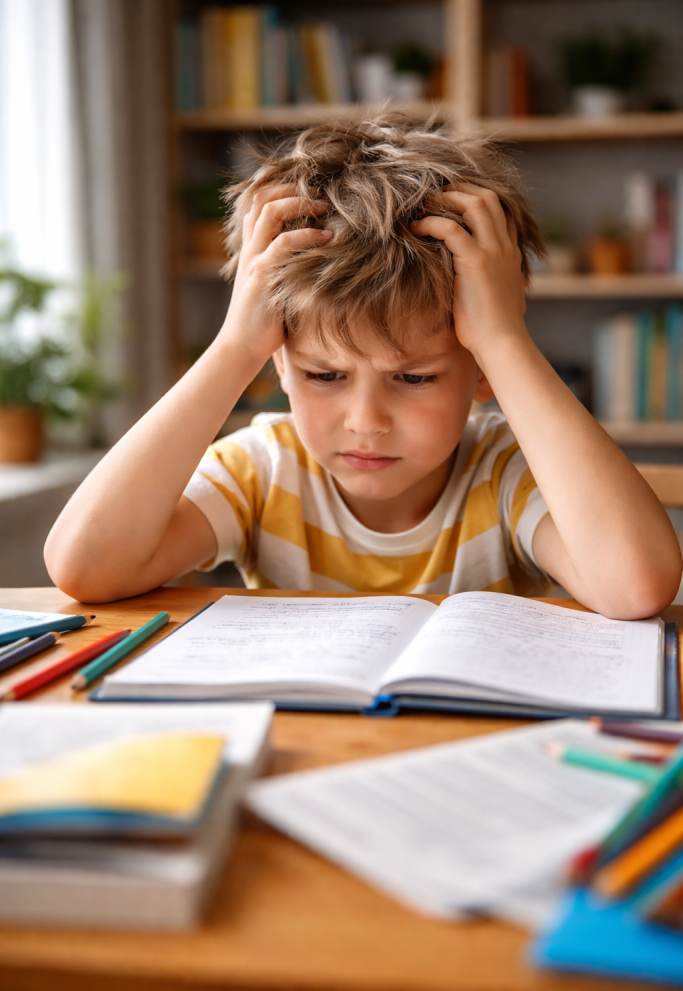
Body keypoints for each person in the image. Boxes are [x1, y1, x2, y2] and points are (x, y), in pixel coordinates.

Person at [45, 115, 681, 618]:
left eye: (414, 377)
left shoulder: (505, 473)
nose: (366, 421)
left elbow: (635, 587)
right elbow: (85, 568)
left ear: (484, 368)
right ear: (279, 361)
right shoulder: (263, 471)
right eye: (325, 375)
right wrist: (234, 347)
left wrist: (503, 338)